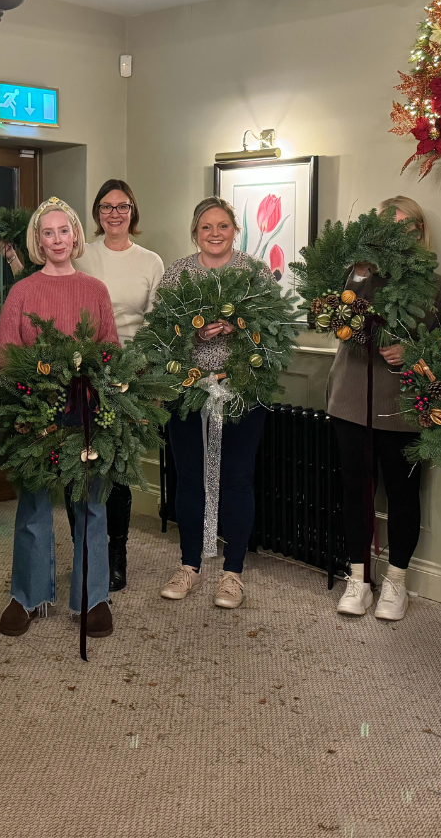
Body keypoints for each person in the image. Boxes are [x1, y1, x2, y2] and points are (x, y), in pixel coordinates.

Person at [0, 197, 119, 638]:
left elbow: (111, 350)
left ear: (75, 236)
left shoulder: (95, 289)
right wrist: (40, 378)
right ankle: (27, 595)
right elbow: (3, 352)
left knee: (91, 505)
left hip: (86, 409)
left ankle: (94, 597)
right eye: (48, 233)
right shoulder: (22, 292)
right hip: (37, 409)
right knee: (32, 504)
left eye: (64, 230)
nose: (57, 239)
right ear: (38, 241)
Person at [327, 196, 441, 621]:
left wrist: (417, 350)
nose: (397, 236)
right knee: (354, 492)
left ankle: (396, 582)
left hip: (403, 407)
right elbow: (336, 317)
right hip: (351, 401)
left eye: (406, 227)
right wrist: (361, 270)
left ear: (419, 233)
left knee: (402, 495)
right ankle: (358, 579)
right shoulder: (355, 274)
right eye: (387, 228)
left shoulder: (436, 287)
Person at [158, 197, 272, 611]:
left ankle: (233, 573)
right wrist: (193, 332)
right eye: (206, 227)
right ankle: (189, 565)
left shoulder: (254, 274)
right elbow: (161, 334)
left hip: (243, 392)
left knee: (237, 479)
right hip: (188, 392)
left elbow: (271, 331)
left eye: (222, 226)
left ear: (235, 229)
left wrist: (236, 327)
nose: (215, 234)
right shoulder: (177, 274)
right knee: (189, 477)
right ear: (195, 231)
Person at [73, 179, 164, 590]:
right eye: (106, 207)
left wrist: (138, 370)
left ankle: (116, 555)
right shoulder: (80, 256)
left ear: (133, 212)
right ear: (96, 215)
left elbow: (155, 323)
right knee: (80, 466)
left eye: (122, 206)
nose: (114, 213)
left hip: (128, 376)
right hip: (81, 374)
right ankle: (83, 551)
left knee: (118, 469)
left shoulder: (150, 262)